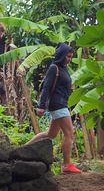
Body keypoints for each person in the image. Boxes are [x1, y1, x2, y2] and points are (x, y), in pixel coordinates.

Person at [27, 43, 82, 174]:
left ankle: (24, 148)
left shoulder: (64, 69)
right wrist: (41, 106)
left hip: (61, 104)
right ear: (61, 55)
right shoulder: (54, 68)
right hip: (58, 105)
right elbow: (46, 87)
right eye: (67, 56)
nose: (69, 59)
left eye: (71, 57)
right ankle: (66, 165)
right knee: (69, 133)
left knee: (50, 134)